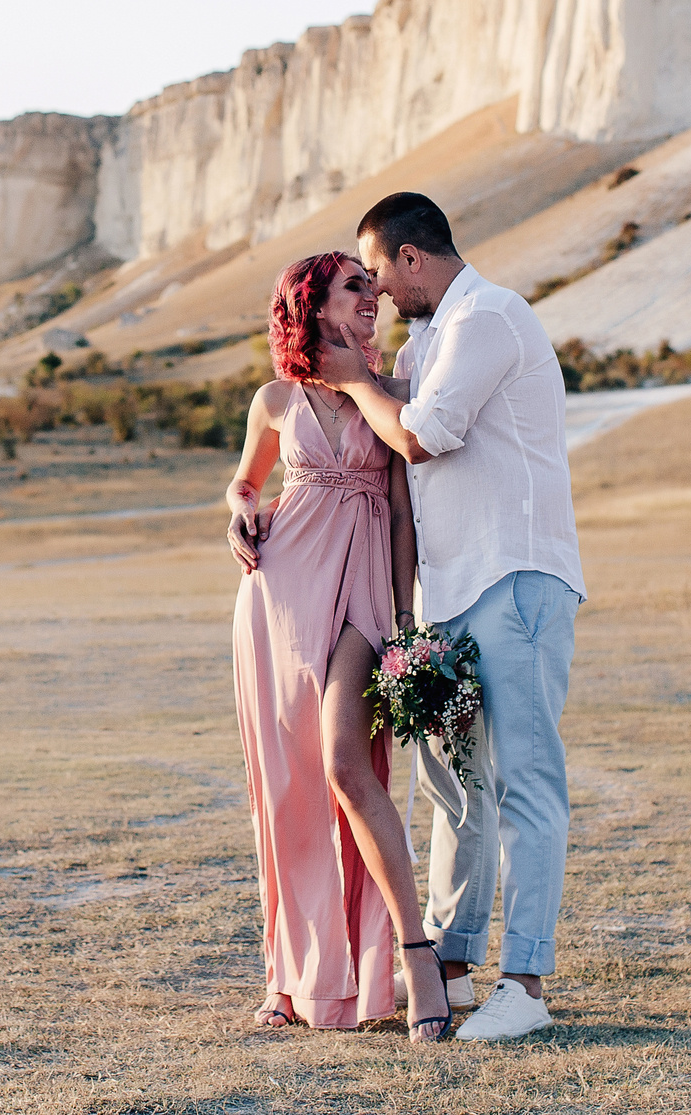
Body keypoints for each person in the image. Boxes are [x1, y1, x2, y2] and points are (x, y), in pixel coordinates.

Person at [308, 191, 584, 1044]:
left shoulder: (490, 319)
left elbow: (422, 434)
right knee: (453, 787)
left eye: (382, 277)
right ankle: (455, 967)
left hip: (517, 578)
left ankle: (526, 984)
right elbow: (355, 420)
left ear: (412, 258)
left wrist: (357, 376)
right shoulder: (430, 337)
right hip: (449, 597)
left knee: (526, 781)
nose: (382, 297)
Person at [225, 251, 452, 1042]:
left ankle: (415, 958)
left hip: (360, 592)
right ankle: (290, 977)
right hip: (278, 596)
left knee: (347, 768)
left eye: (373, 285)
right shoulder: (275, 398)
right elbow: (247, 481)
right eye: (357, 286)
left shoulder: (388, 394)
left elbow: (398, 512)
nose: (374, 296)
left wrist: (399, 621)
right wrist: (238, 510)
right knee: (286, 790)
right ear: (314, 303)